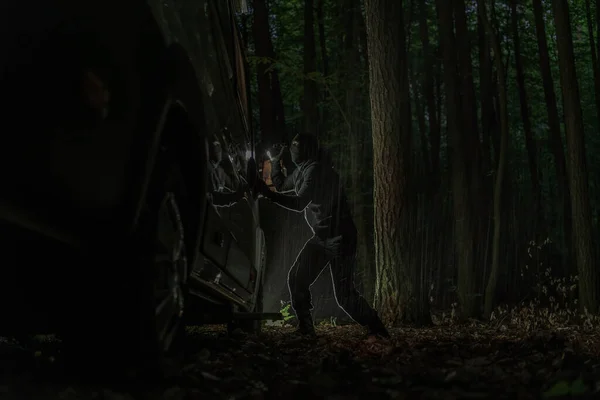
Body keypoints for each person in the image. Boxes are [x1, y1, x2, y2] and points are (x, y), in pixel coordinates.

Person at [255, 133, 389, 338]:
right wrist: (274, 161)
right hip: (322, 237)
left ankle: (377, 328)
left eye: (295, 146)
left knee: (344, 296)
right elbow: (282, 185)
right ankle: (306, 329)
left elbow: (299, 203)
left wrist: (267, 194)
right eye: (292, 146)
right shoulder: (303, 170)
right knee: (297, 278)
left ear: (306, 150)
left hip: (340, 238)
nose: (292, 149)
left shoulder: (316, 170)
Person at [208, 136, 245, 206]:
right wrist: (233, 197)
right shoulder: (208, 169)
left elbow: (234, 186)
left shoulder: (221, 171)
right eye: (215, 147)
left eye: (218, 147)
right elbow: (214, 197)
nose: (217, 151)